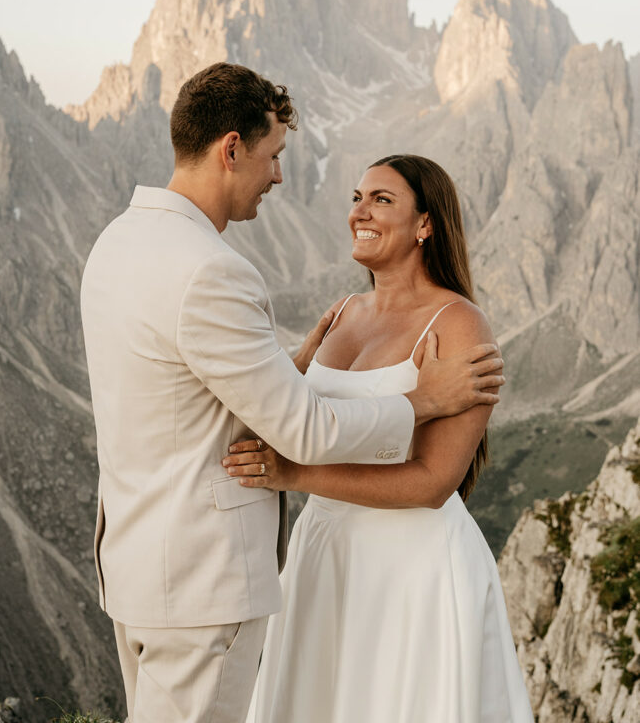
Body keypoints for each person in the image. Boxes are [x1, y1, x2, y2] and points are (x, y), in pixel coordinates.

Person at [80, 68, 506, 723]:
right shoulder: (213, 270)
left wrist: (287, 370)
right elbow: (301, 426)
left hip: (146, 570)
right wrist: (423, 400)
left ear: (427, 225)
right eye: (273, 155)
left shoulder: (116, 242)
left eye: (378, 199)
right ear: (231, 150)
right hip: (206, 584)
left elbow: (185, 386)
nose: (280, 176)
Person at [225, 153, 534, 723]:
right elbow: (295, 415)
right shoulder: (343, 312)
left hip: (410, 568)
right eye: (356, 198)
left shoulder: (458, 323)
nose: (359, 212)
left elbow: (434, 483)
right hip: (323, 551)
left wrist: (294, 476)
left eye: (382, 200)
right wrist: (296, 363)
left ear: (425, 224)